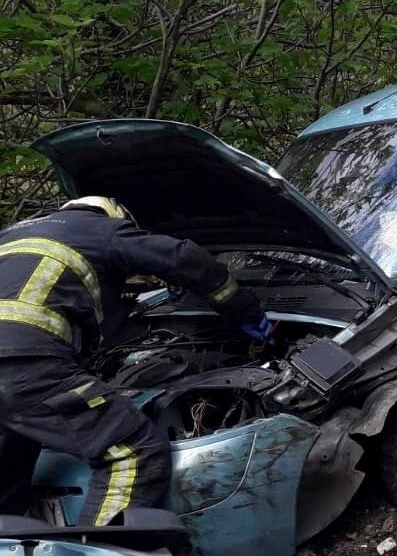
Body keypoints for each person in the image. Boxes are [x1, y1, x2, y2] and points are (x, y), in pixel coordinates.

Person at [0, 196, 266, 524]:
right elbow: (181, 256)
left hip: (17, 369)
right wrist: (242, 308)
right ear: (114, 214)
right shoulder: (101, 229)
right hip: (24, 363)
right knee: (132, 451)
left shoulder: (11, 235)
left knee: (9, 463)